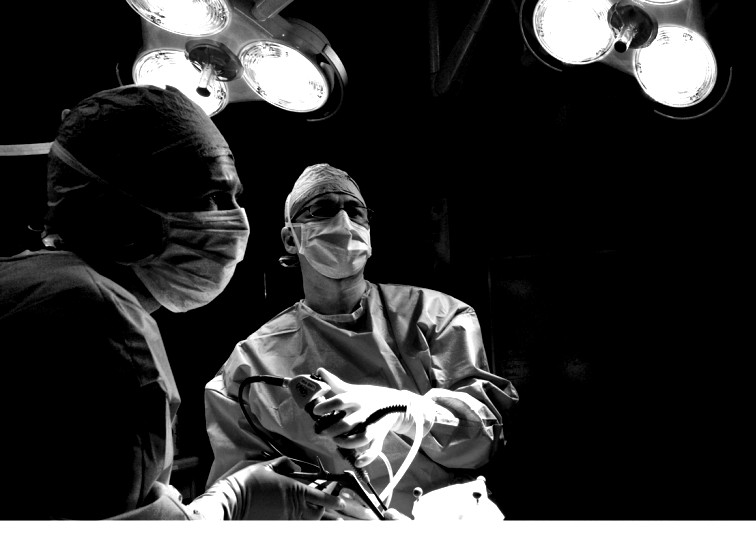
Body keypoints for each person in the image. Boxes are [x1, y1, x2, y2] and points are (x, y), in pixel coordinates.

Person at [0, 85, 347, 520]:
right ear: (121, 209)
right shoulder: (102, 322)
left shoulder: (28, 280)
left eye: (235, 198)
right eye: (211, 199)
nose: (236, 220)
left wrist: (213, 508)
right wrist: (231, 505)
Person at [204, 164, 519, 518]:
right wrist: (323, 512)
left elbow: (486, 439)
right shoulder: (249, 366)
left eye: (355, 211)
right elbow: (244, 496)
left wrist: (408, 412)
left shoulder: (438, 316)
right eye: (322, 210)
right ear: (291, 239)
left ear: (368, 231)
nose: (343, 221)